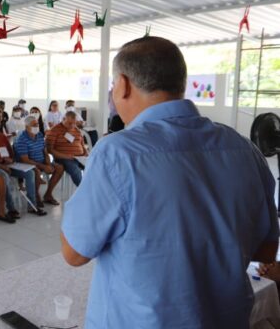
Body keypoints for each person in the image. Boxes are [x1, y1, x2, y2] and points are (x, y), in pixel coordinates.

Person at [61, 36, 280, 328]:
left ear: (123, 85)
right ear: (181, 84)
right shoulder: (244, 149)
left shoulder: (118, 153)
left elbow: (74, 252)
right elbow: (265, 250)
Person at [0, 115, 38, 219]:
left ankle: (31, 205)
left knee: (30, 173)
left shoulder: (2, 136)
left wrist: (11, 159)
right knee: (4, 178)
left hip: (8, 165)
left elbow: (11, 153)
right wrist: (1, 166)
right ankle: (11, 208)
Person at [13, 116, 63, 212]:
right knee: (36, 171)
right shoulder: (22, 139)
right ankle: (36, 195)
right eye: (34, 125)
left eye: (37, 124)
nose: (37, 126)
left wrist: (48, 163)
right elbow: (25, 160)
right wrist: (43, 166)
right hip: (29, 164)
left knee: (59, 168)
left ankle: (48, 194)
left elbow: (45, 152)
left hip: (42, 161)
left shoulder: (39, 135)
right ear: (27, 126)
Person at [47, 111, 87, 186]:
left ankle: (94, 190)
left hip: (79, 158)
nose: (72, 125)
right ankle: (84, 191)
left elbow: (82, 145)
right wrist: (66, 156)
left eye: (74, 123)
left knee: (94, 166)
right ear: (63, 119)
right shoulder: (54, 130)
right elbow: (49, 149)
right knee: (76, 171)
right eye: (69, 123)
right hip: (64, 158)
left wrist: (85, 153)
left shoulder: (77, 130)